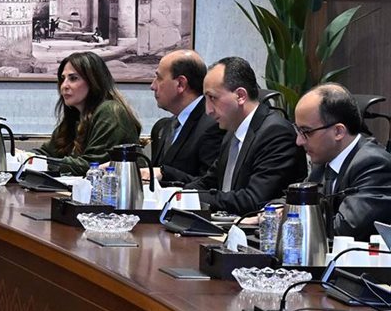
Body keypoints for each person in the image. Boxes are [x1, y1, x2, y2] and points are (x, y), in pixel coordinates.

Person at [182, 56, 306, 215]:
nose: (208, 110)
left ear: (240, 96)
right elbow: (209, 181)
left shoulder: (276, 133)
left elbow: (254, 200)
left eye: (212, 98)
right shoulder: (232, 131)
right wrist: (178, 195)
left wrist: (193, 197)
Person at [293, 83, 391, 240]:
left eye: (306, 132)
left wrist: (289, 220)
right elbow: (296, 199)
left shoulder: (374, 164)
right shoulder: (324, 160)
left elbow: (344, 228)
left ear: (338, 131)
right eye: (298, 130)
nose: (299, 141)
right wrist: (270, 212)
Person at [33, 51, 142, 176]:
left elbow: (90, 165)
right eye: (62, 79)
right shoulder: (75, 116)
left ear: (93, 81)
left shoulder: (110, 111)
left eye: (73, 78)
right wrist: (23, 157)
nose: (64, 86)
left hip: (122, 187)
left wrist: (42, 162)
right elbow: (46, 152)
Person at [148, 50, 224, 185]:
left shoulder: (213, 124)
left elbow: (210, 185)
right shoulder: (169, 124)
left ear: (181, 84)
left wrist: (164, 173)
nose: (152, 86)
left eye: (159, 78)